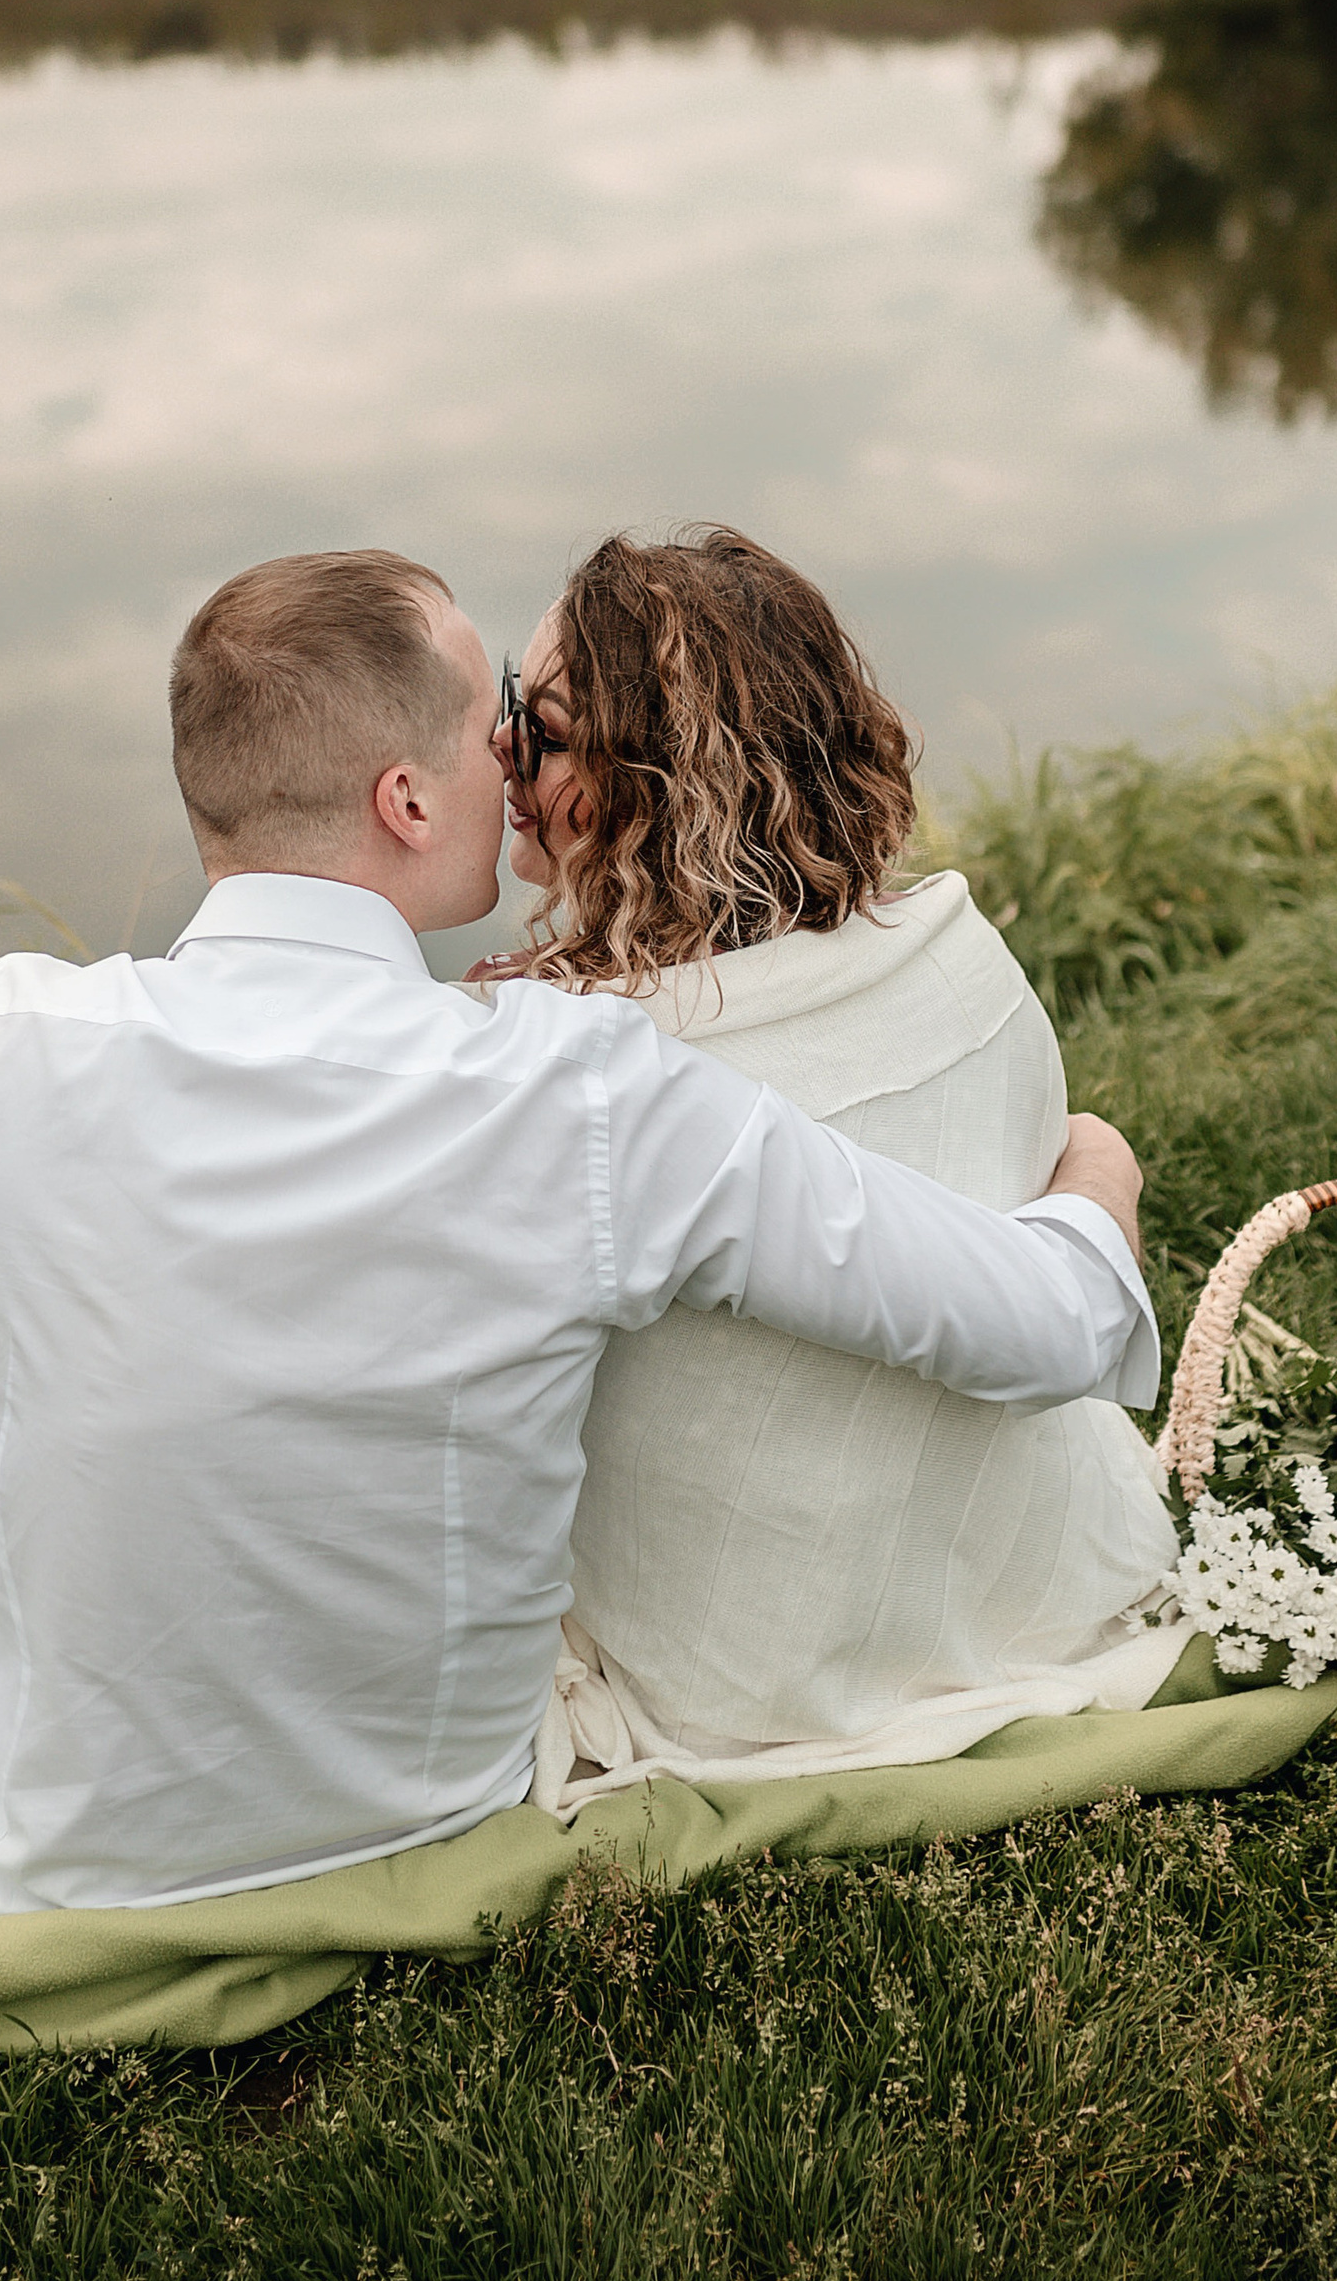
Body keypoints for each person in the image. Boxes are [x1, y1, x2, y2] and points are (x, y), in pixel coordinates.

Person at [0, 548, 1156, 1919]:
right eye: (499, 724)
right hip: (433, 1802)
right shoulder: (584, 1094)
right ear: (408, 800)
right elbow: (1052, 1324)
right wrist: (1095, 1169)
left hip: (27, 1841)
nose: (515, 761)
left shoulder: (9, 1033)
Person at [482, 527, 1187, 1802]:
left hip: (744, 1676)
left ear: (655, 784)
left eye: (542, 727)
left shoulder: (574, 1066)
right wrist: (1103, 1165)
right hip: (1045, 1591)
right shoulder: (964, 958)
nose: (499, 750)